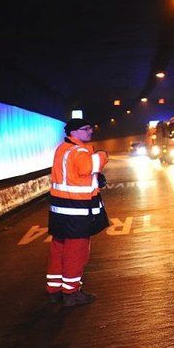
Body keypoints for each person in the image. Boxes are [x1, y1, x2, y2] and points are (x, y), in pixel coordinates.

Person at [45, 118, 110, 306]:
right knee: (76, 251)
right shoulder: (79, 151)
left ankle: (54, 289)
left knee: (59, 248)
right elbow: (86, 168)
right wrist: (102, 155)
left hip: (59, 209)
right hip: (76, 209)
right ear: (74, 132)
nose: (91, 131)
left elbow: (73, 176)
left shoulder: (62, 149)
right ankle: (71, 293)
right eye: (86, 129)